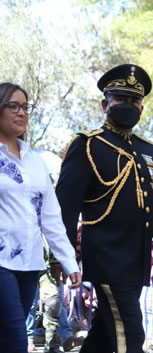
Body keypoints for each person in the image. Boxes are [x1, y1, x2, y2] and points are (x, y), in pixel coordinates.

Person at [55, 64, 153, 353]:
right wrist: (60, 255)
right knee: (131, 335)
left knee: (105, 331)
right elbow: (65, 207)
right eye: (121, 99)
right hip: (106, 256)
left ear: (142, 107)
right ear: (105, 103)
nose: (129, 106)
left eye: (134, 101)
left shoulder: (150, 151)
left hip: (137, 260)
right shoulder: (88, 145)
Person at [0, 82, 81, 353]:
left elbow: (50, 217)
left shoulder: (35, 161)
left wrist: (70, 262)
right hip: (1, 261)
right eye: (13, 106)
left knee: (6, 335)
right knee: (14, 336)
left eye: (25, 107)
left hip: (30, 263)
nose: (21, 112)